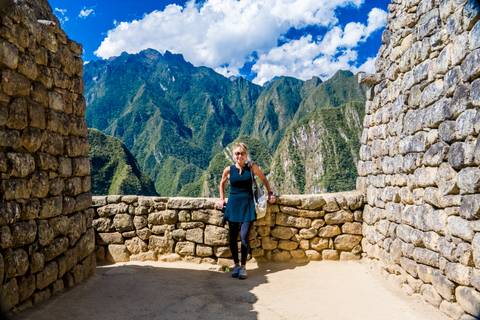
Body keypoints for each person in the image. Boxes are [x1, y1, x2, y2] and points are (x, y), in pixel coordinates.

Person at [218, 142, 276, 280]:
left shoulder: (252, 167)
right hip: (233, 205)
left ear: (246, 154)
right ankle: (236, 265)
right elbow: (222, 183)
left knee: (244, 236)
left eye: (242, 153)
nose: (240, 156)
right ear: (233, 155)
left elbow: (263, 179)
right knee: (232, 237)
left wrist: (270, 193)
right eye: (237, 153)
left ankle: (243, 267)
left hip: (248, 206)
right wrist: (221, 199)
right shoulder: (228, 169)